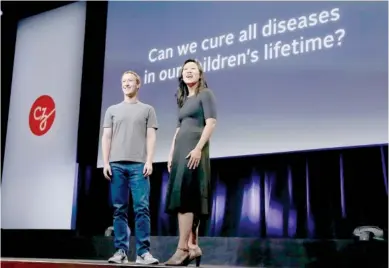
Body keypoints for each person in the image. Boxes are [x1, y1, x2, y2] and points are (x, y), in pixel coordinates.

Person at [101, 70, 159, 265]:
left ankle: (143, 252)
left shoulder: (147, 109)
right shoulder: (112, 110)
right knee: (119, 209)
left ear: (138, 84)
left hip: (139, 165)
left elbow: (151, 136)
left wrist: (150, 161)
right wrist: (106, 162)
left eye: (130, 81)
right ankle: (121, 251)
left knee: (142, 208)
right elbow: (106, 137)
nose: (126, 84)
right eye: (123, 81)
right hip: (116, 165)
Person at [164, 59, 217, 266]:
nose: (188, 72)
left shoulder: (206, 94)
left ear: (200, 73)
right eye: (185, 69)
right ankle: (193, 246)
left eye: (192, 69)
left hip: (195, 150)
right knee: (186, 195)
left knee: (186, 197)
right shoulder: (184, 100)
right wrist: (170, 154)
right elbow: (178, 130)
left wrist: (198, 148)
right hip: (180, 151)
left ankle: (182, 248)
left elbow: (211, 123)